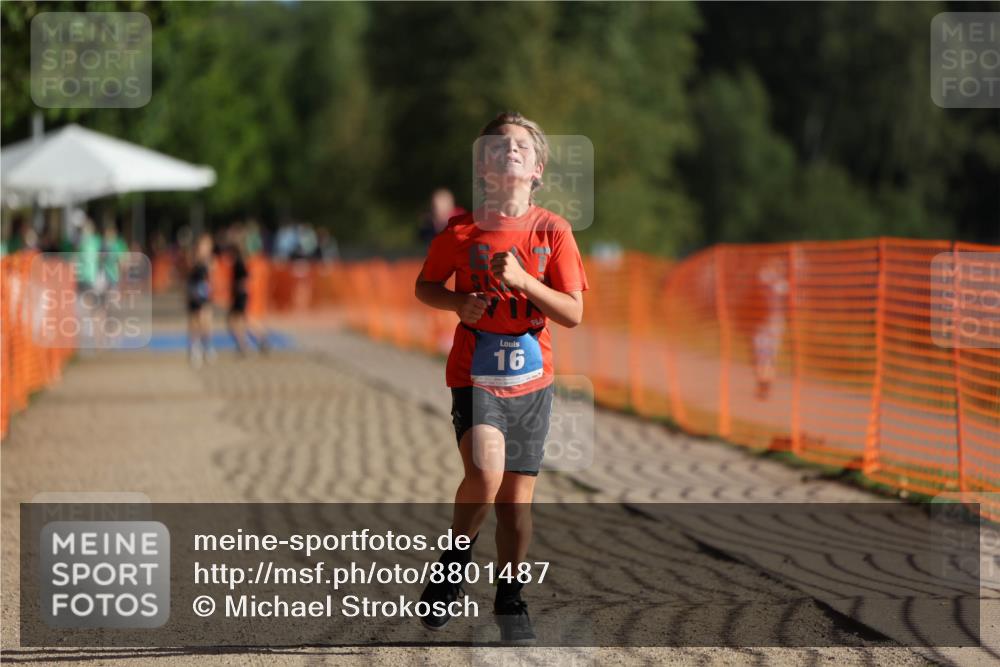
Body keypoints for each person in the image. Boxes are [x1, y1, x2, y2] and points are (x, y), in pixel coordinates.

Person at [414, 112, 588, 643]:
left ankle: (510, 598)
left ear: (537, 169)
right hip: (475, 372)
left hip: (533, 381)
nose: (509, 151)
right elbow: (426, 286)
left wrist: (523, 281)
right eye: (497, 147)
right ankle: (453, 565)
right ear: (484, 169)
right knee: (485, 474)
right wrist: (457, 302)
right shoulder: (462, 230)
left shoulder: (553, 231)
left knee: (515, 505)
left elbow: (573, 311)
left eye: (520, 147)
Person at [226, 230, 270, 356]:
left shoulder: (245, 260)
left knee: (242, 320)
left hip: (242, 295)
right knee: (238, 320)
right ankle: (246, 344)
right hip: (240, 295)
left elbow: (248, 279)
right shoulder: (242, 259)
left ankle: (251, 342)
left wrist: (242, 286)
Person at [186, 233, 215, 369]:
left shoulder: (210, 260)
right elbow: (188, 275)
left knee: (206, 320)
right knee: (194, 321)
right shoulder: (193, 258)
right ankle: (194, 348)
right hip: (193, 292)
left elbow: (212, 276)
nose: (206, 247)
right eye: (204, 244)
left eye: (208, 245)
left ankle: (207, 347)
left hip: (204, 293)